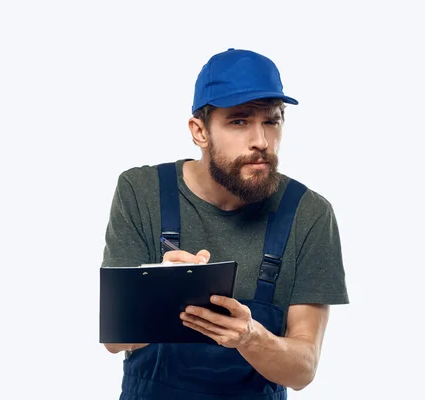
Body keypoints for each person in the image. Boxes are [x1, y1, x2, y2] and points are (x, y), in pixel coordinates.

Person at [101, 48, 349, 400]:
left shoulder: (309, 214)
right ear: (199, 131)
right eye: (239, 121)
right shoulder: (141, 192)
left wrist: (250, 336)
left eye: (272, 120)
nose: (261, 141)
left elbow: (303, 369)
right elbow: (114, 340)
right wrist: (159, 292)